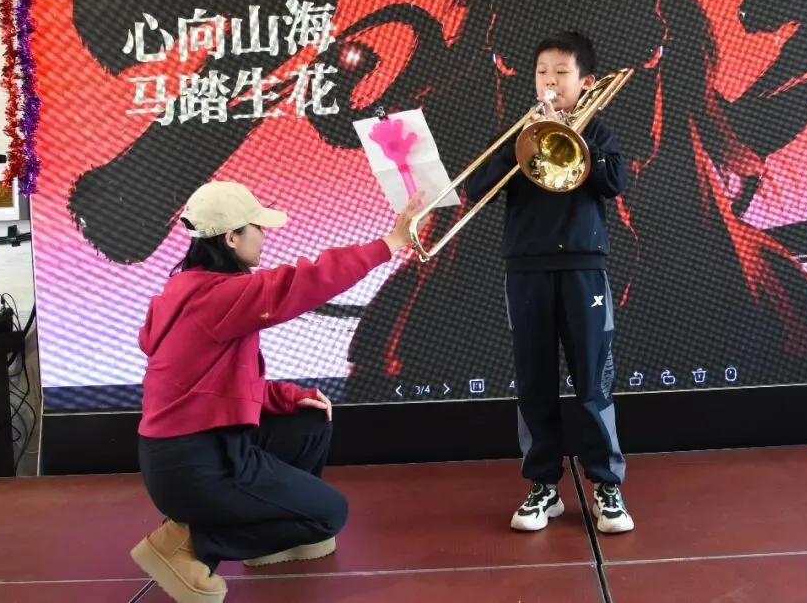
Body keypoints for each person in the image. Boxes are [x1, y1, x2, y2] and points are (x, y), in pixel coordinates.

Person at [130, 180, 425, 603]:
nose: (264, 236)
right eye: (257, 227)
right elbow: (307, 281)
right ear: (231, 238)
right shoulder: (219, 295)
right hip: (197, 464)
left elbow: (206, 384)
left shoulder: (190, 290)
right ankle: (191, 544)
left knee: (306, 422)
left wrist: (283, 396)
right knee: (330, 516)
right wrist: (391, 242)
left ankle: (268, 534)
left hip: (190, 453)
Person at [464, 31, 633, 534]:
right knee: (534, 381)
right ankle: (543, 486)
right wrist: (520, 144)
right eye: (542, 73)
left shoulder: (598, 131)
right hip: (526, 269)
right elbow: (475, 189)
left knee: (592, 381)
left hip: (584, 268)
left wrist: (578, 139)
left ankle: (606, 487)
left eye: (561, 73)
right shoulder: (518, 132)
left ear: (587, 82)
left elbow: (613, 183)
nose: (550, 82)